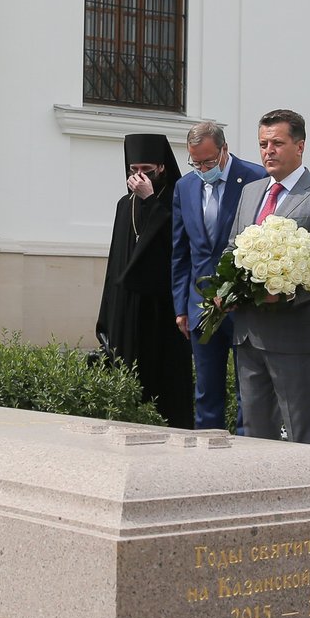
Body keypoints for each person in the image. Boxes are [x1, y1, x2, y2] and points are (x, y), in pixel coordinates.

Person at [224, 110, 310, 444]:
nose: (268, 151)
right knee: (255, 434)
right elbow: (232, 248)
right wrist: (225, 289)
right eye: (263, 144)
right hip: (248, 334)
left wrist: (289, 293)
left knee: (302, 433)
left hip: (294, 336)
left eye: (277, 143)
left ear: (300, 146)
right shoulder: (251, 192)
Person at [170, 122, 264, 432]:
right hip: (201, 305)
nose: (202, 168)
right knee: (206, 391)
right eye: (195, 162)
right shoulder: (185, 187)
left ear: (224, 149)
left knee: (248, 391)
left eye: (208, 161)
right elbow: (181, 251)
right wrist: (182, 307)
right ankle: (205, 454)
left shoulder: (256, 178)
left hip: (243, 304)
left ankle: (245, 451)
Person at [97, 134, 194, 429]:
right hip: (128, 308)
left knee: (166, 381)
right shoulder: (124, 205)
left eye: (146, 170)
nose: (138, 177)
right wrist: (106, 314)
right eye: (133, 170)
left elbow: (175, 243)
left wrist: (151, 200)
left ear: (162, 168)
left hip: (163, 307)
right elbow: (115, 262)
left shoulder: (175, 200)